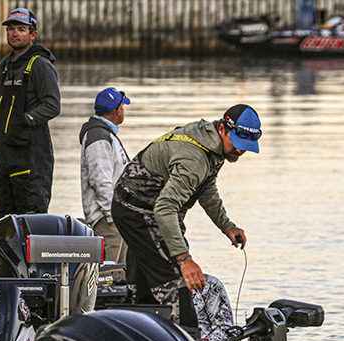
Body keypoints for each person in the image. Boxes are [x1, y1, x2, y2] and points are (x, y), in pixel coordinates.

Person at [111, 104, 258, 327]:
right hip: (137, 210)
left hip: (151, 207)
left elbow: (206, 187)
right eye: (237, 144)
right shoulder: (194, 159)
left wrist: (226, 225)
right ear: (222, 129)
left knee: (143, 280)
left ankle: (134, 327)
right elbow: (165, 208)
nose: (239, 151)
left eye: (245, 148)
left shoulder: (212, 145)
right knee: (175, 278)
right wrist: (184, 259)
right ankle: (186, 338)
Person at [0, 7, 60, 217]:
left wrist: (25, 120)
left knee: (31, 217)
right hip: (5, 155)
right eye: (11, 29)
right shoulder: (4, 66)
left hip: (32, 156)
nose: (15, 33)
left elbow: (53, 105)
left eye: (21, 29)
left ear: (32, 34)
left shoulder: (40, 65)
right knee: (4, 217)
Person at [80, 87, 131, 263]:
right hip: (108, 221)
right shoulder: (98, 136)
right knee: (108, 272)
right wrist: (111, 216)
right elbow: (100, 181)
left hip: (117, 218)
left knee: (121, 271)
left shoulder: (105, 134)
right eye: (123, 107)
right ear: (117, 111)